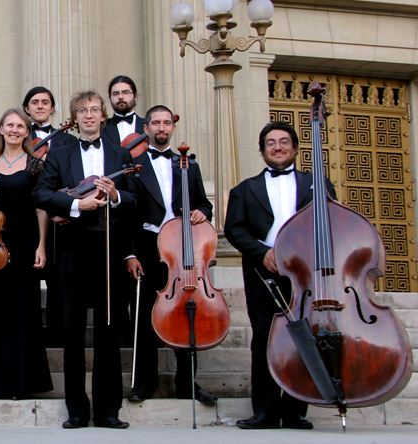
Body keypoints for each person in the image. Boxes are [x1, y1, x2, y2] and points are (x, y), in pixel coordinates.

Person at [33, 91, 136, 430]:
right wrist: (78, 205)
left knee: (109, 330)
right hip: (72, 251)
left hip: (109, 249)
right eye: (82, 111)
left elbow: (136, 199)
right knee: (72, 332)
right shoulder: (59, 154)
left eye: (94, 110)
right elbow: (42, 194)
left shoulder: (121, 154)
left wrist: (116, 195)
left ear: (103, 116)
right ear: (74, 118)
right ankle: (77, 409)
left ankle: (108, 410)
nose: (89, 115)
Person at [225, 121, 334, 430]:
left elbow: (332, 223)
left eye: (284, 141)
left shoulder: (318, 184)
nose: (277, 147)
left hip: (307, 274)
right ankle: (265, 411)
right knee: (265, 340)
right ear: (262, 151)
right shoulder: (245, 189)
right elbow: (235, 230)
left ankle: (296, 410)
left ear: (295, 148)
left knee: (305, 339)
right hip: (265, 272)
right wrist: (262, 252)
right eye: (270, 143)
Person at [124, 105, 216, 405]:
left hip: (183, 251)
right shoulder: (134, 165)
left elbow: (204, 204)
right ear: (146, 128)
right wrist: (130, 254)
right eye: (156, 123)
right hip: (148, 248)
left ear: (172, 127)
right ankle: (144, 383)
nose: (161, 128)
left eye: (166, 123)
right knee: (144, 316)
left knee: (188, 314)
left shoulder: (188, 165)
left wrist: (202, 212)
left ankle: (187, 383)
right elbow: (127, 216)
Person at [0, 109, 52, 400]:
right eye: (10, 125)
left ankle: (21, 383)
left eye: (20, 126)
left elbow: (41, 207)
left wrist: (41, 245)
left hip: (25, 240)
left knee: (23, 310)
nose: (15, 130)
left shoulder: (36, 165)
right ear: (1, 129)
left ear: (26, 132)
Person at [22, 85, 78, 346]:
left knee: (59, 276)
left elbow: (73, 177)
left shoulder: (68, 140)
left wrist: (61, 208)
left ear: (52, 108)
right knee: (29, 273)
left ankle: (58, 332)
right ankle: (31, 332)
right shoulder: (20, 135)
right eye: (35, 102)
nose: (40, 106)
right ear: (27, 108)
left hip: (60, 216)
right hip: (28, 213)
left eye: (45, 102)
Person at [102, 75, 144, 147]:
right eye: (115, 93)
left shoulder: (147, 126)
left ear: (135, 96)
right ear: (110, 97)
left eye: (125, 92)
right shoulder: (102, 127)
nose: (120, 97)